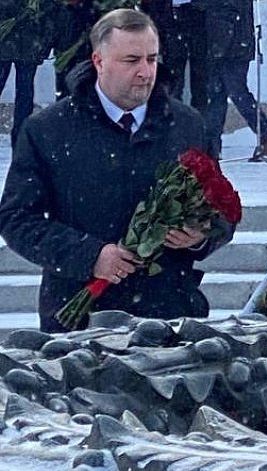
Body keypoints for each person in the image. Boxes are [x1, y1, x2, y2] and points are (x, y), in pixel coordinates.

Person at [0, 9, 234, 333]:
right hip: (79, 320)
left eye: (152, 59)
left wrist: (199, 235)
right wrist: (89, 255)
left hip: (169, 314)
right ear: (98, 61)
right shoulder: (48, 130)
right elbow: (16, 218)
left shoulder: (187, 125)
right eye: (131, 60)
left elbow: (222, 210)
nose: (145, 72)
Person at [200, 0, 267, 161]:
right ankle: (212, 147)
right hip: (230, 43)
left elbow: (226, 9)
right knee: (219, 96)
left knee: (235, 93)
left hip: (230, 45)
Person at [0, 0, 57, 147]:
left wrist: (45, 46)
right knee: (24, 94)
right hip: (17, 44)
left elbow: (49, 15)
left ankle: (20, 138)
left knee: (25, 94)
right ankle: (20, 139)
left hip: (26, 45)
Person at [140, 0, 209, 111]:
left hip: (198, 15)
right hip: (170, 18)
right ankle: (175, 116)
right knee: (174, 79)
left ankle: (199, 117)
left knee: (200, 80)